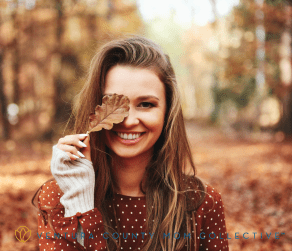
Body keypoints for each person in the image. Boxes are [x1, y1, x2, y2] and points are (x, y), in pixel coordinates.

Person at [33, 35, 229, 251]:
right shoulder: (60, 196)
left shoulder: (202, 203)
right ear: (95, 108)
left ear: (167, 112)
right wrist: (80, 201)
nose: (128, 120)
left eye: (146, 104)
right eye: (113, 103)